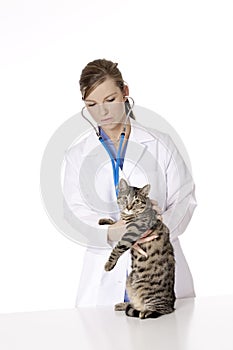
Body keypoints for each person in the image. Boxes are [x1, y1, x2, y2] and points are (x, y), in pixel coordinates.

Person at [63, 58, 197, 306]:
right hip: (102, 286)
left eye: (110, 100)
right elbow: (74, 214)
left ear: (125, 92)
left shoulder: (161, 143)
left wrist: (155, 229)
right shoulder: (78, 155)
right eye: (91, 104)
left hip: (159, 272)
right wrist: (110, 232)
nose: (102, 112)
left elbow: (185, 200)